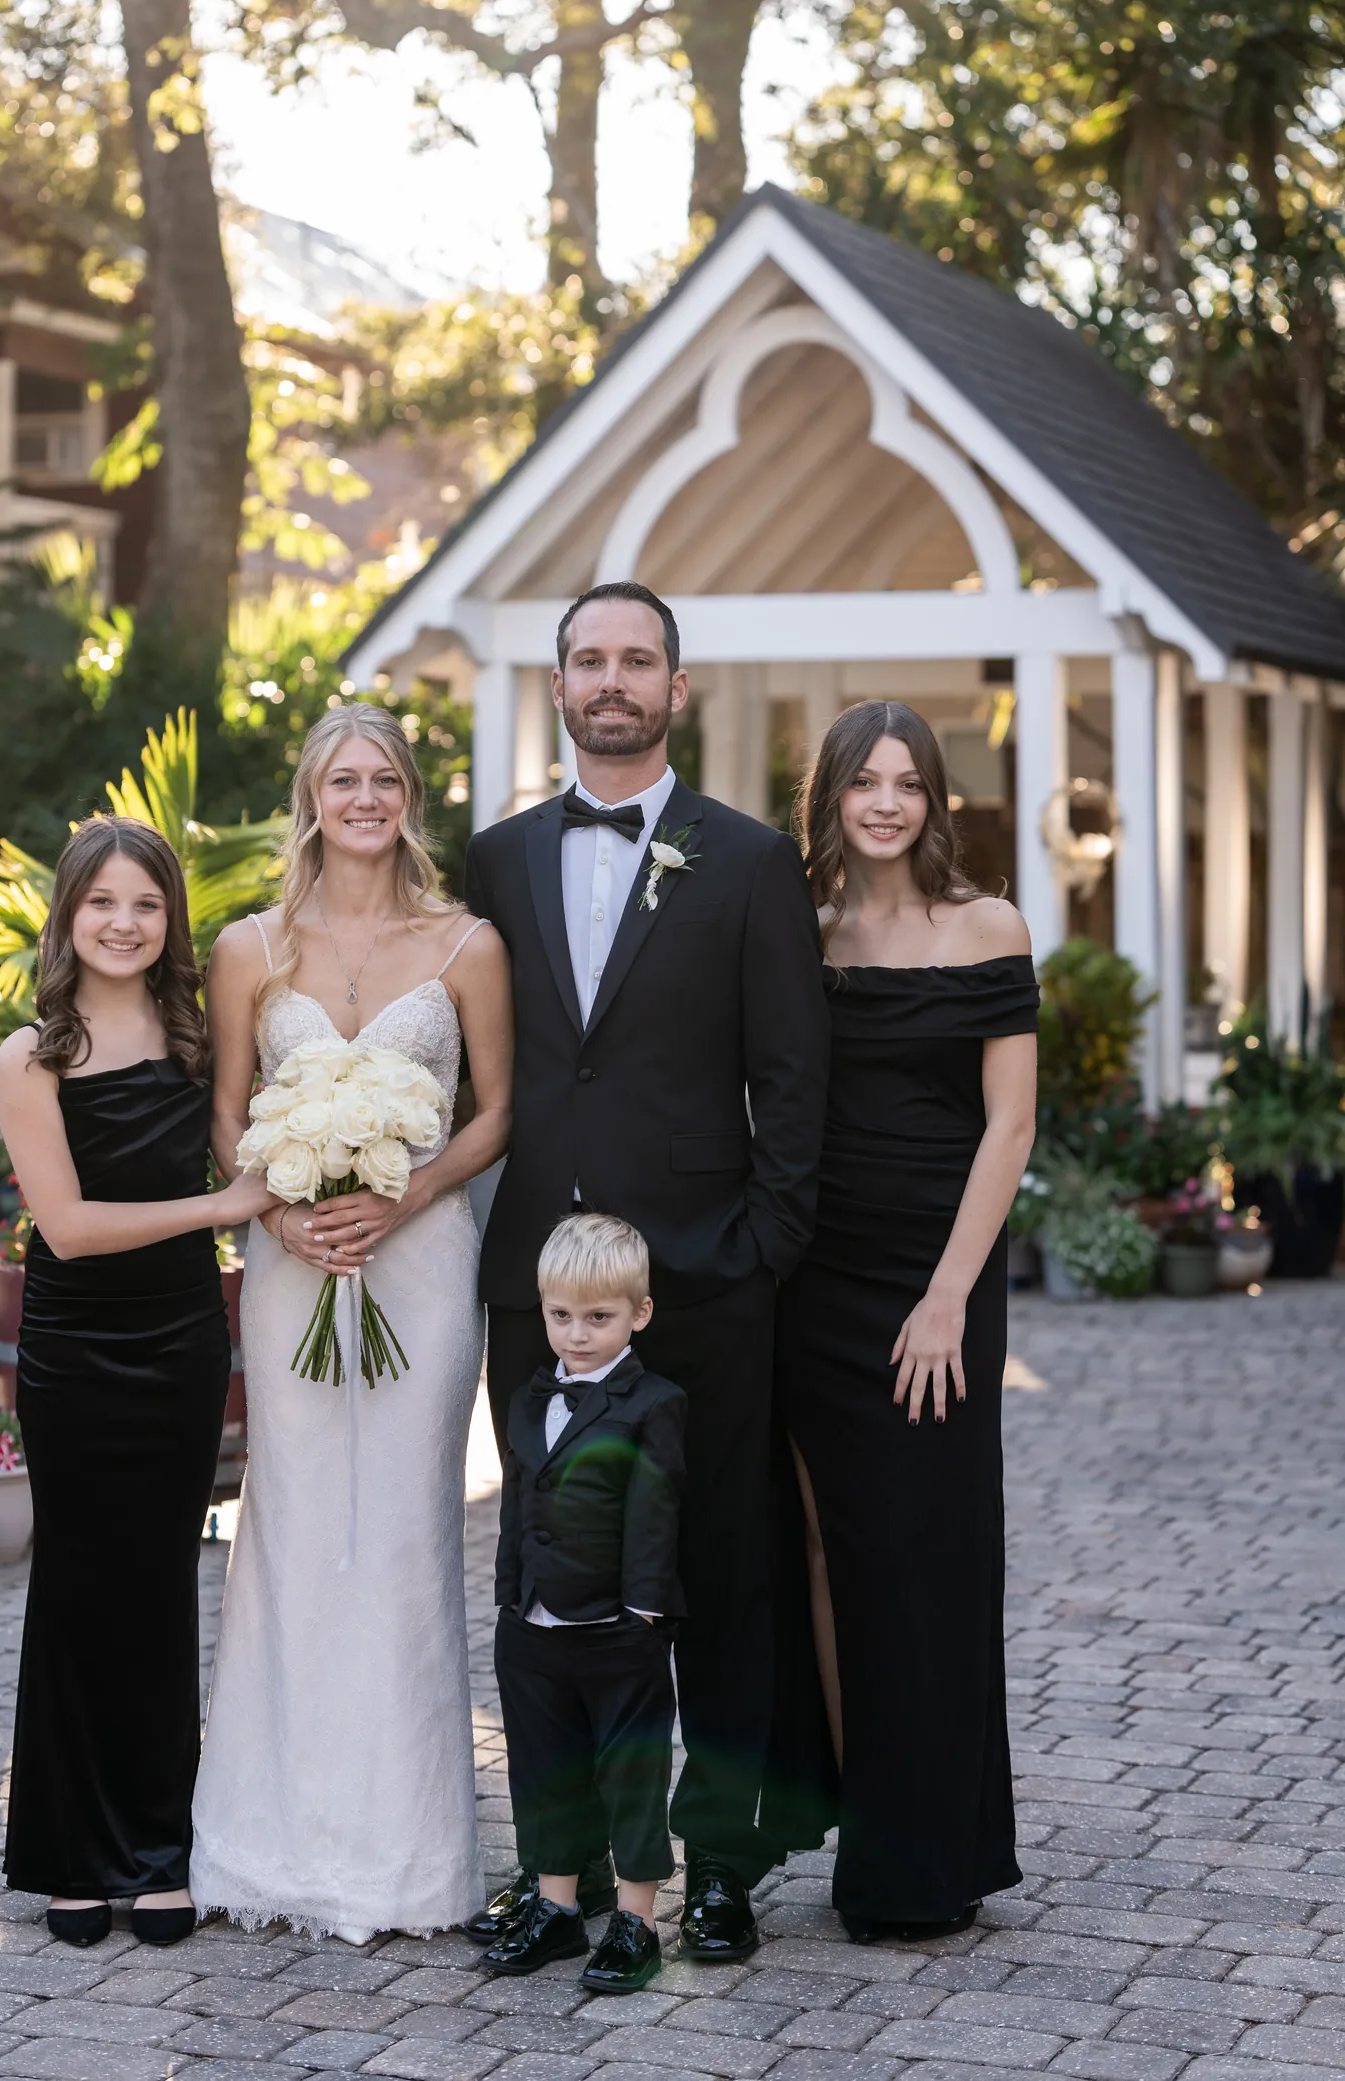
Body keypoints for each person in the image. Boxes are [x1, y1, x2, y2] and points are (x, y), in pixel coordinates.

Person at [464, 581, 828, 1960]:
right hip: (536, 1295)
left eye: (638, 659)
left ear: (679, 687)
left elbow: (794, 1081)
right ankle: (558, 1878)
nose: (612, 679)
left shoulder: (743, 862)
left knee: (722, 1577)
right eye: (589, 658)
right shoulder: (493, 862)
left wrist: (759, 1253)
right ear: (558, 684)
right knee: (546, 1592)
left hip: (705, 1289)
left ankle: (721, 1863)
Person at [190, 703, 513, 1942]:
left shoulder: (465, 942)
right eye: (342, 778)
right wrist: (279, 1218)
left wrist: (405, 1194)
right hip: (290, 1268)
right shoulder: (251, 947)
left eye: (384, 778)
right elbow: (229, 1113)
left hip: (421, 1265)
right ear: (310, 796)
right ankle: (268, 1842)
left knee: (401, 1534)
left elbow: (495, 1112)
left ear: (410, 797)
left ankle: (409, 1856)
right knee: (290, 1526)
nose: (364, 797)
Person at [773, 700, 1037, 1944]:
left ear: (936, 799)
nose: (886, 802)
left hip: (939, 1280)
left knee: (931, 1551)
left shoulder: (987, 925)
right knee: (829, 1553)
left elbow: (1011, 1125)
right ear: (827, 795)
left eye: (908, 783)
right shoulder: (803, 935)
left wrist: (946, 1296)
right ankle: (868, 1825)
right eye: (863, 782)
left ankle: (940, 1845)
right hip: (815, 1276)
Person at [0, 815, 276, 1948]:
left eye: (146, 904)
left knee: (162, 1586)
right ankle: (71, 1855)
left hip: (177, 1345)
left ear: (172, 922)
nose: (124, 921)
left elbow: (259, 1141)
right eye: (102, 902)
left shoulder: (198, 1036)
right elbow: (61, 1227)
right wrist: (220, 1211)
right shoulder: (34, 1054)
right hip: (75, 1352)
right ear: (69, 916)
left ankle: (158, 1848)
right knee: (75, 1586)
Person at [487, 1213, 686, 1996]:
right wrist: (510, 1599)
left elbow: (655, 1512)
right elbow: (516, 1503)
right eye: (560, 1315)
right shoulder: (529, 1398)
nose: (576, 1334)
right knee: (543, 1773)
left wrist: (641, 1614)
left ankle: (635, 1920)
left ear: (638, 1313)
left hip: (615, 1631)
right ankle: (557, 1907)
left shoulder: (653, 1403)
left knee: (628, 1776)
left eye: (598, 1317)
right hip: (533, 1627)